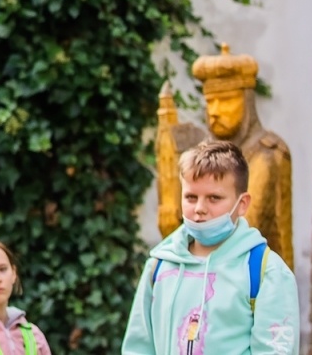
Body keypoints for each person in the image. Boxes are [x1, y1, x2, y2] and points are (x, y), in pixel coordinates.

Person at [121, 140, 299, 355]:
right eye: (191, 197)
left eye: (214, 198)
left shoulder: (266, 272)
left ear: (242, 204)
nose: (199, 208)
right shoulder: (157, 267)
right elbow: (137, 348)